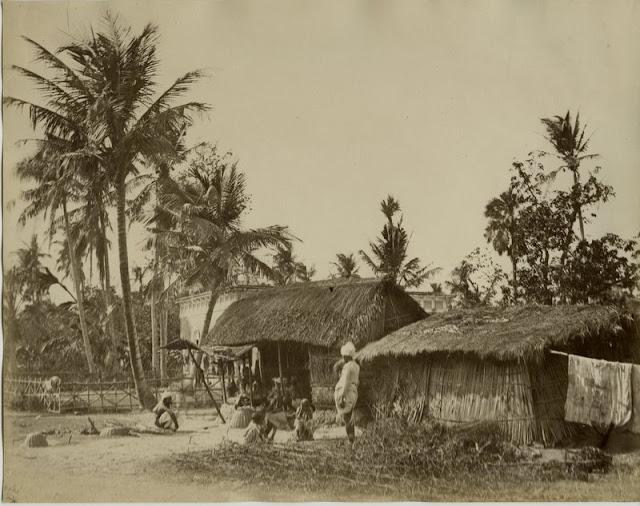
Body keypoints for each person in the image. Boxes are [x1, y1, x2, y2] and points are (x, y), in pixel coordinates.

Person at [334, 342, 360, 446]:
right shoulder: (356, 366)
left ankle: (351, 440)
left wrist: (341, 397)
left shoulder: (348, 367)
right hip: (353, 393)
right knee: (348, 416)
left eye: (344, 356)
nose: (343, 358)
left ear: (346, 356)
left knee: (346, 418)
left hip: (347, 393)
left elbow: (345, 382)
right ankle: (352, 439)